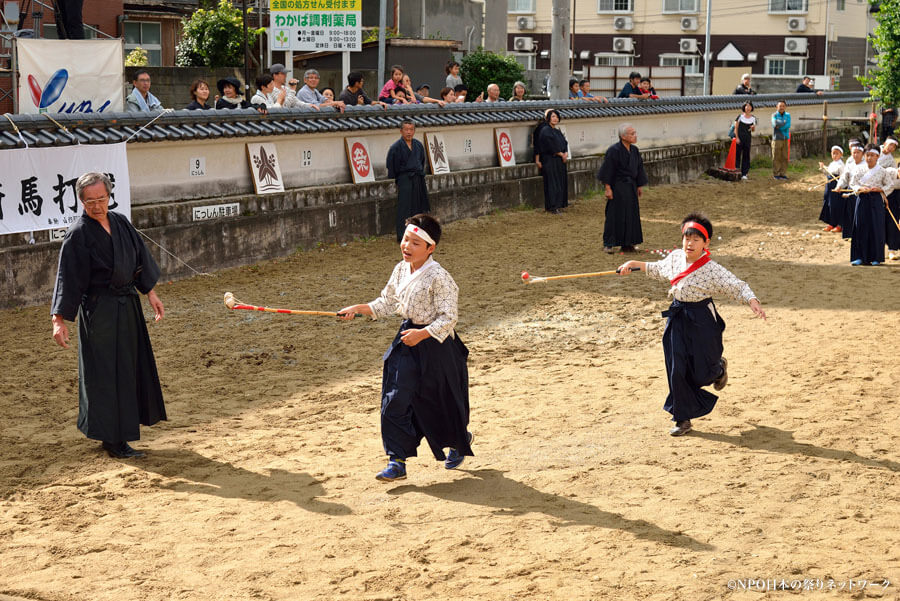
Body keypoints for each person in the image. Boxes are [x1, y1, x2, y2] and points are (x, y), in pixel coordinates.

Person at [337, 214, 473, 482]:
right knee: (394, 398)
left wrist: (422, 334)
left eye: (415, 243)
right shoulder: (400, 269)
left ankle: (459, 439)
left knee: (441, 401)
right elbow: (386, 303)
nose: (407, 247)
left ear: (430, 248)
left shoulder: (440, 277)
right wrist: (358, 309)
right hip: (407, 341)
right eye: (405, 240)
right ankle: (396, 460)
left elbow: (449, 318)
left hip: (437, 345)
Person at [616, 213, 766, 436]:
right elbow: (657, 269)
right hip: (677, 319)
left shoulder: (712, 269)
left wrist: (752, 301)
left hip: (702, 319)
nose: (690, 243)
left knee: (702, 372)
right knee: (677, 369)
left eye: (696, 239)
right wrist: (633, 264)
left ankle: (718, 369)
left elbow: (737, 285)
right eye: (687, 238)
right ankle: (682, 419)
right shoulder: (675, 257)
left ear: (706, 243)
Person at [51, 172, 167, 458]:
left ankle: (121, 433)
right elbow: (68, 278)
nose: (97, 206)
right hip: (99, 311)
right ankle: (113, 439)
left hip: (127, 306)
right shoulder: (78, 234)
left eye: (101, 199)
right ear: (81, 201)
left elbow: (138, 259)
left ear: (109, 196)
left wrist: (150, 293)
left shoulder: (120, 223)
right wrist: (58, 320)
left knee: (127, 368)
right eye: (90, 201)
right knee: (105, 374)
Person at [597, 123, 647, 253]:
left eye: (635, 133)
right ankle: (609, 243)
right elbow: (607, 170)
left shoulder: (635, 150)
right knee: (614, 214)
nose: (635, 136)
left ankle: (628, 243)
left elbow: (639, 168)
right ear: (623, 136)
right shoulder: (614, 150)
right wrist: (608, 188)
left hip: (631, 186)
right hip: (617, 186)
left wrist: (639, 185)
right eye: (632, 134)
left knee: (631, 214)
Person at [386, 120, 431, 242]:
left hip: (417, 178)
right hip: (404, 179)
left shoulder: (418, 145)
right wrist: (399, 179)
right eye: (406, 129)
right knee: (404, 208)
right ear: (401, 131)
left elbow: (422, 161)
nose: (409, 132)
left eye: (411, 129)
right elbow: (392, 166)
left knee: (418, 206)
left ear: (414, 131)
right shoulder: (395, 147)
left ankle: (417, 234)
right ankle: (402, 235)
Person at [849, 145, 893, 265]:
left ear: (878, 156)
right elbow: (853, 183)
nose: (869, 158)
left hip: (876, 200)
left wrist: (880, 189)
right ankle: (859, 256)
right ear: (864, 156)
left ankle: (876, 257)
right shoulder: (859, 169)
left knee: (876, 227)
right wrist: (860, 188)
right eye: (867, 155)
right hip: (862, 199)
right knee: (860, 227)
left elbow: (890, 185)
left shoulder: (882, 171)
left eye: (872, 155)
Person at [537, 109, 569, 214]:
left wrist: (565, 153)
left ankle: (559, 204)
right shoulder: (545, 130)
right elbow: (549, 146)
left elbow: (565, 143)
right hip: (550, 160)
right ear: (548, 118)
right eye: (553, 116)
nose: (555, 119)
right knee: (552, 183)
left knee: (560, 182)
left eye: (556, 117)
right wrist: (560, 154)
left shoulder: (557, 131)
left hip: (559, 160)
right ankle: (552, 206)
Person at [835, 143, 867, 238]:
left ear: (863, 153)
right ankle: (850, 234)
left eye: (858, 152)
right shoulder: (849, 165)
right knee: (849, 213)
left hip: (862, 193)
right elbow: (844, 178)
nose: (856, 155)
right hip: (850, 192)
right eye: (854, 152)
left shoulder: (866, 165)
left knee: (860, 215)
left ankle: (860, 234)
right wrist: (839, 186)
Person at [818, 145, 845, 232]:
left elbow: (843, 177)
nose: (834, 155)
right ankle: (831, 223)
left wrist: (840, 186)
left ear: (841, 154)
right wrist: (823, 168)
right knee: (828, 203)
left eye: (837, 154)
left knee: (835, 205)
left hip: (836, 186)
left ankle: (838, 225)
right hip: (829, 185)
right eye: (833, 153)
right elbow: (827, 173)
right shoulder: (832, 164)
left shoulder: (841, 165)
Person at [733, 101, 757, 180]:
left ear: (751, 108)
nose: (748, 108)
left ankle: (744, 173)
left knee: (746, 156)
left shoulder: (753, 118)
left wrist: (753, 128)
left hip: (747, 139)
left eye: (749, 106)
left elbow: (753, 130)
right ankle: (736, 170)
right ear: (744, 107)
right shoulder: (740, 117)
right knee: (737, 154)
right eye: (746, 106)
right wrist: (737, 138)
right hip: (739, 138)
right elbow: (735, 128)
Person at [771, 100, 791, 180]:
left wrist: (780, 125)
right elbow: (774, 124)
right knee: (776, 156)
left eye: (783, 106)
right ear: (777, 107)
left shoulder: (788, 115)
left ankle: (783, 173)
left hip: (785, 138)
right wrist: (783, 122)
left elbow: (788, 125)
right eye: (780, 106)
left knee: (785, 157)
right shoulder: (774, 115)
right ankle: (776, 174)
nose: (781, 107)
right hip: (777, 138)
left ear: (785, 107)